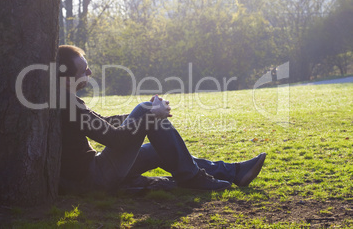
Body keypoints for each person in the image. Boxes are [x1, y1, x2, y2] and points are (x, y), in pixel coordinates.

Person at [57, 45, 266, 194]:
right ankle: (194, 178)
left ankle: (235, 171)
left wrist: (139, 117)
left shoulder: (64, 99)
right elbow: (116, 139)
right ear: (66, 77)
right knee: (145, 108)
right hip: (94, 179)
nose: (90, 72)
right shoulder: (67, 104)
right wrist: (150, 114)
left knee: (162, 148)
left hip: (95, 171)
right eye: (84, 70)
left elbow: (101, 123)